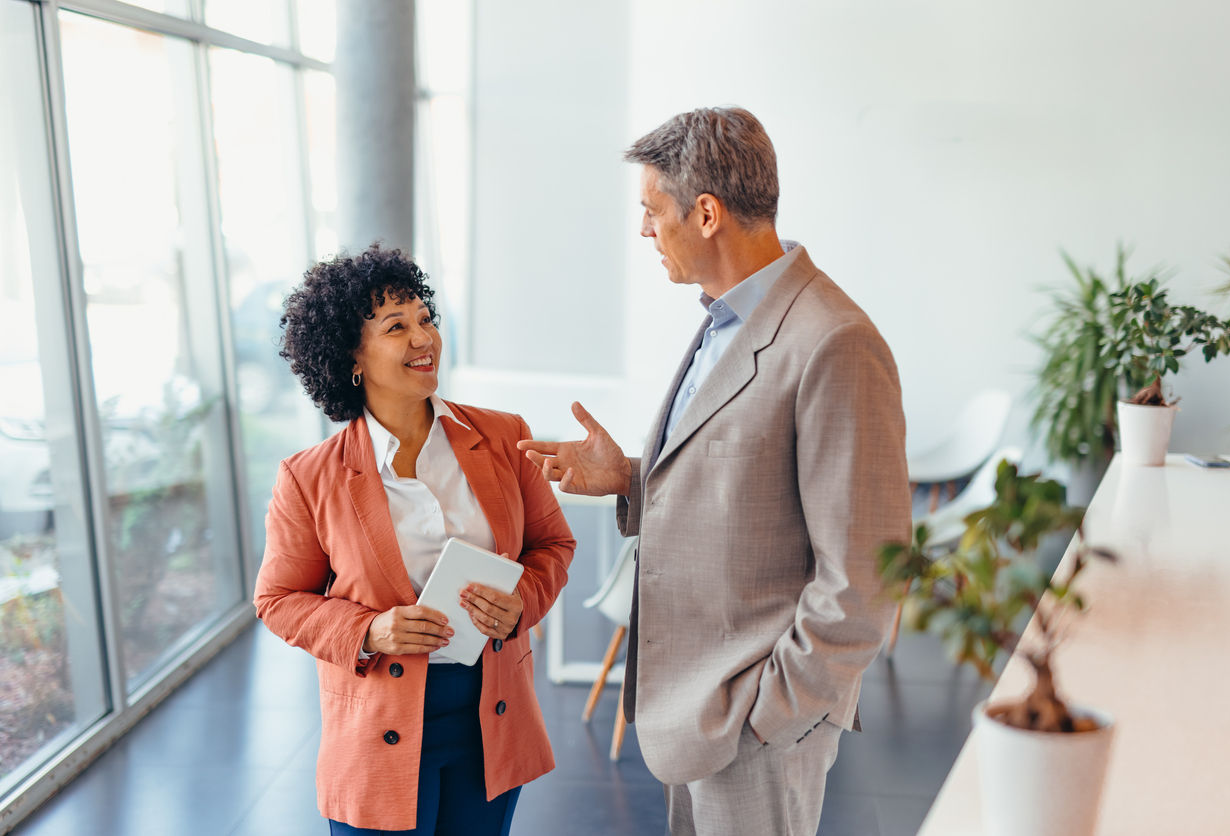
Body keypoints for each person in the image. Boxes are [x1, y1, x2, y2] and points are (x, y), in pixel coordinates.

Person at [518, 107, 910, 836]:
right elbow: (750, 489)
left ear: (705, 213)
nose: (643, 231)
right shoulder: (723, 319)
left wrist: (772, 717)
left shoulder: (835, 344)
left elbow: (867, 573)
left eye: (650, 210)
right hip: (695, 714)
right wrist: (633, 478)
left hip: (754, 722)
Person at [254, 244, 575, 835]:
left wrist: (522, 603)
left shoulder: (504, 437)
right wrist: (367, 631)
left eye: (425, 319)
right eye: (396, 327)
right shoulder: (309, 476)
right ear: (352, 356)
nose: (423, 338)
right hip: (377, 727)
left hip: (491, 717)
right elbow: (277, 600)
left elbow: (552, 545)